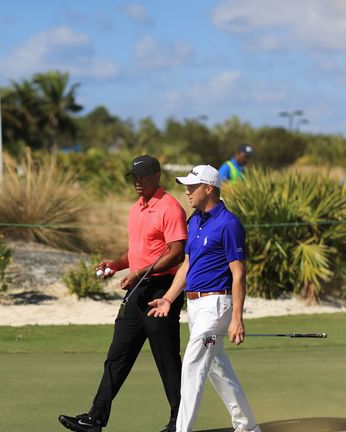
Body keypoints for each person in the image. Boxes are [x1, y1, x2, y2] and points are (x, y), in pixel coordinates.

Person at [58, 155, 188, 432]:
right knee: (117, 357)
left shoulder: (170, 208)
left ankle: (179, 422)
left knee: (166, 360)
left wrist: (141, 273)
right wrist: (116, 265)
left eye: (142, 177)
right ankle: (95, 418)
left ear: (157, 176)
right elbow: (139, 251)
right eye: (134, 177)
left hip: (161, 291)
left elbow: (176, 253)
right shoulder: (135, 209)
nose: (137, 182)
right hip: (136, 292)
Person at [147, 164, 261, 432]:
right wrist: (168, 298)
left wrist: (237, 319)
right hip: (195, 305)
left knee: (192, 367)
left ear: (208, 189)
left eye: (192, 187)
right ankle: (247, 427)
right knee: (218, 370)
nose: (187, 192)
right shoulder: (194, 220)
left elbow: (238, 274)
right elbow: (187, 265)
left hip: (217, 305)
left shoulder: (229, 224)